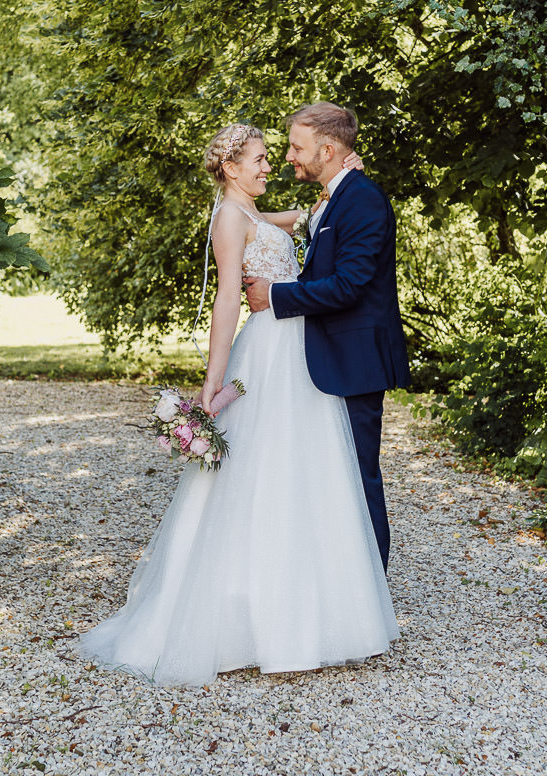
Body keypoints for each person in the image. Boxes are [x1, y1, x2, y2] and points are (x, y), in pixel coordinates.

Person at [77, 122, 399, 685]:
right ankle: (253, 615)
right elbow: (228, 300)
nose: (270, 165)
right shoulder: (230, 217)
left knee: (307, 475)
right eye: (258, 159)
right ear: (230, 168)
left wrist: (335, 188)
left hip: (299, 352)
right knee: (262, 477)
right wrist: (212, 383)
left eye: (277, 155)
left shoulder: (251, 214)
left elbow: (290, 224)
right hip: (270, 353)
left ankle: (315, 603)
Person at [244, 102, 411, 571]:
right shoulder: (334, 197)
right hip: (330, 358)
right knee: (333, 476)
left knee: (359, 477)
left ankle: (370, 587)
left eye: (297, 147)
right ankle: (340, 582)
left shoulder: (361, 199)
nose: (290, 156)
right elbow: (313, 235)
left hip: (355, 361)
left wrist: (277, 296)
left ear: (329, 148)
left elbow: (350, 284)